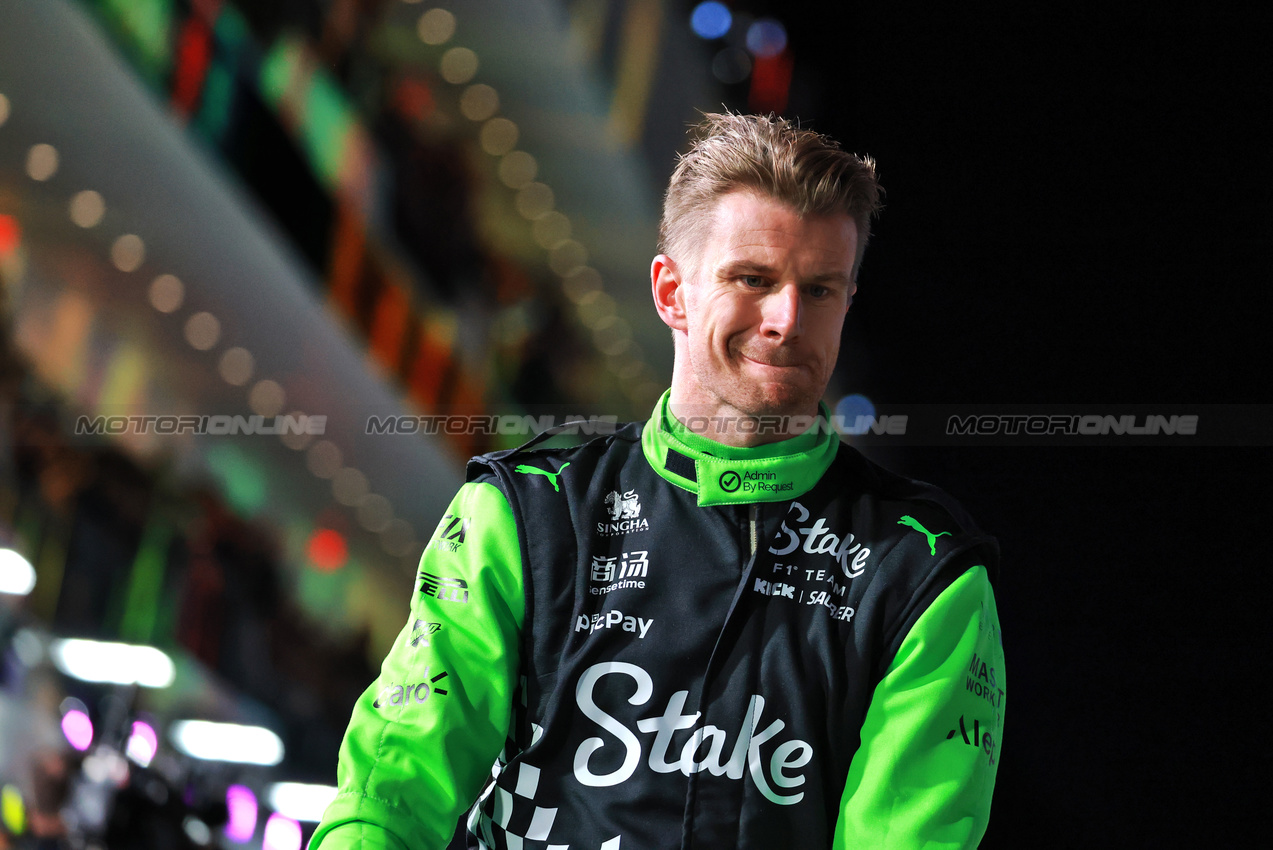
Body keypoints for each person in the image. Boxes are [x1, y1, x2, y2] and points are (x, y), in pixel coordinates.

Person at [312, 113, 1005, 849]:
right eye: (752, 279)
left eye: (821, 289)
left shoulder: (921, 572)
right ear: (671, 292)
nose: (786, 318)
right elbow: (389, 792)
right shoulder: (526, 513)